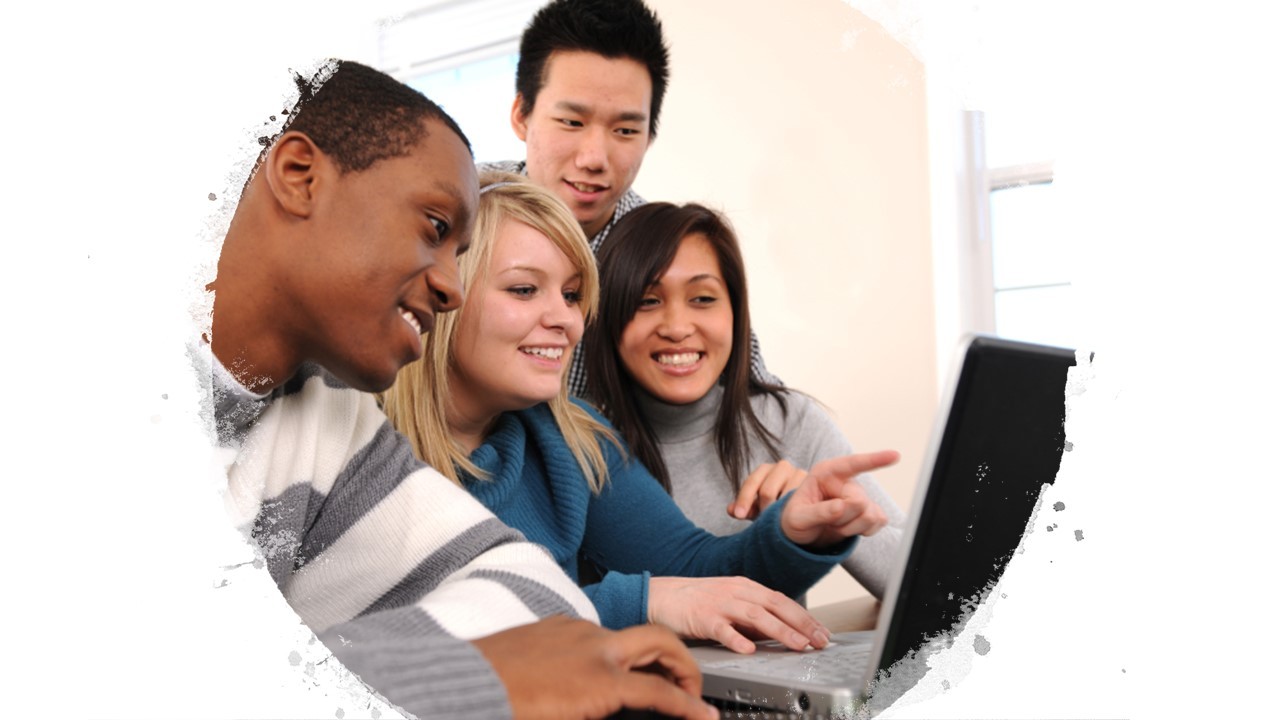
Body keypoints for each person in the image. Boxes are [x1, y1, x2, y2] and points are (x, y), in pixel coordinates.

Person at [204, 59, 717, 720]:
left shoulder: (325, 423)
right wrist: (451, 672)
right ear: (300, 176)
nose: (450, 287)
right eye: (436, 230)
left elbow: (539, 600)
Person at [380, 173, 898, 652]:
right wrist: (642, 602)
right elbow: (414, 635)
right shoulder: (361, 448)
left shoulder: (574, 437)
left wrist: (791, 535)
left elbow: (696, 574)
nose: (563, 319)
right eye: (523, 289)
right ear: (445, 293)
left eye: (572, 295)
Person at [583, 202, 907, 599]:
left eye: (703, 299)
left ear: (736, 313)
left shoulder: (787, 422)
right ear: (606, 318)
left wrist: (832, 516)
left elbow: (931, 586)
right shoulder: (578, 446)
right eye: (647, 301)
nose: (678, 328)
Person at [481, 0, 776, 397]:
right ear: (521, 115)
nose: (594, 159)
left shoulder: (662, 251)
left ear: (649, 137)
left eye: (625, 130)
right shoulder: (461, 211)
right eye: (571, 122)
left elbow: (752, 395)